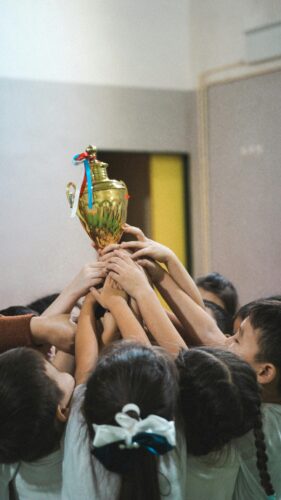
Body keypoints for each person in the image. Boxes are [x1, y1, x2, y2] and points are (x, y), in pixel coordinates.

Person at [62, 287, 180, 500]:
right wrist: (121, 303)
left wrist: (89, 302)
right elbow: (155, 365)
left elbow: (84, 368)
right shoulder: (170, 441)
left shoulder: (79, 438)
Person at [0, 348, 74, 499]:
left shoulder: (10, 441)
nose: (54, 363)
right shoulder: (77, 442)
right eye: (54, 370)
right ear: (61, 412)